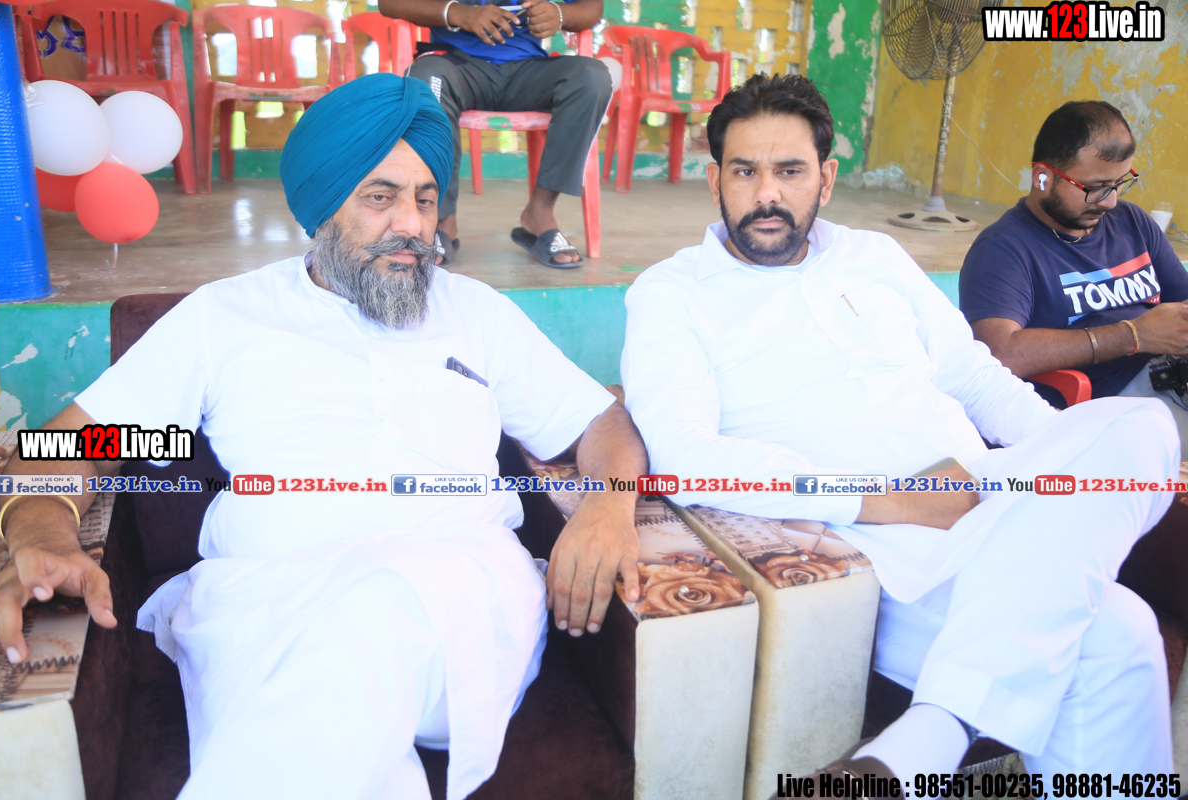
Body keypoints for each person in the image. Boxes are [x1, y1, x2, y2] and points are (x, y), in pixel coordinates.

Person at [0, 73, 646, 799]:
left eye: (426, 198)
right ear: (321, 206)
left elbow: (600, 422)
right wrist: (42, 535)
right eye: (380, 197)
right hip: (260, 599)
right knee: (341, 715)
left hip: (461, 592)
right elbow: (66, 449)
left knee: (370, 620)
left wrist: (608, 506)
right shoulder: (225, 318)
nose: (413, 224)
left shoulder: (475, 313)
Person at [621, 73, 1178, 782]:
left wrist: (1070, 466)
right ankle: (937, 733)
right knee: (1118, 634)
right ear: (714, 181)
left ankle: (933, 732)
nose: (766, 194)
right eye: (744, 171)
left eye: (789, 171)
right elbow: (686, 457)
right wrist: (891, 499)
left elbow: (975, 378)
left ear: (825, 179)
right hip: (874, 542)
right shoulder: (671, 295)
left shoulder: (875, 256)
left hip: (986, 492)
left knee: (1141, 428)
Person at [959, 100, 1188, 441]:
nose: (1109, 201)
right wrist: (1132, 335)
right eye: (1095, 188)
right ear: (1042, 177)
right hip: (1111, 404)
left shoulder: (1132, 222)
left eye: (1120, 183)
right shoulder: (1004, 248)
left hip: (1172, 375)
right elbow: (997, 353)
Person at [379, 0, 611, 269]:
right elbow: (389, 3)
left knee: (591, 78)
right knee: (425, 81)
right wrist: (459, 13)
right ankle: (442, 219)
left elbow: (591, 8)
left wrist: (560, 13)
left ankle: (540, 211)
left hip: (529, 70)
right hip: (456, 66)